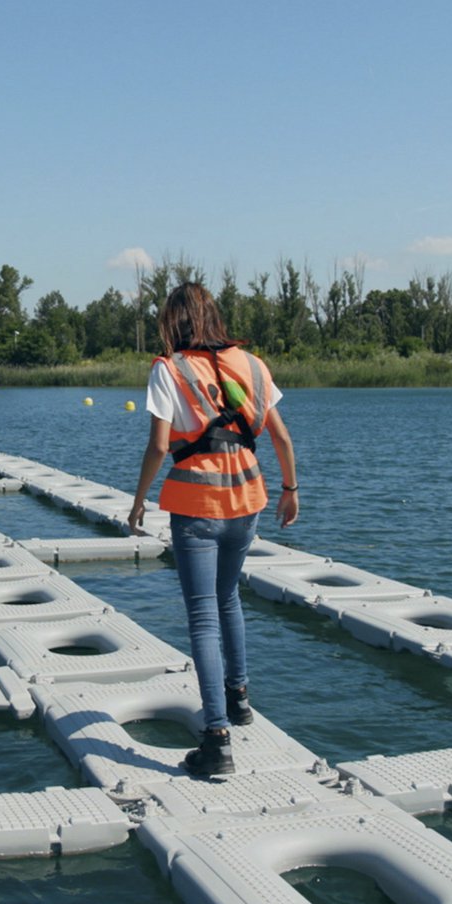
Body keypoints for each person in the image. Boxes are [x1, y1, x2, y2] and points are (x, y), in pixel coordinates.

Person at [128, 283, 298, 778]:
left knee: (202, 615)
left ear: (172, 322)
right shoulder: (253, 365)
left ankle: (216, 739)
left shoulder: (168, 368)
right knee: (228, 600)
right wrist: (290, 488)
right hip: (249, 500)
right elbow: (281, 435)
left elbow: (160, 445)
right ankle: (239, 698)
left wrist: (138, 501)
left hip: (196, 504)